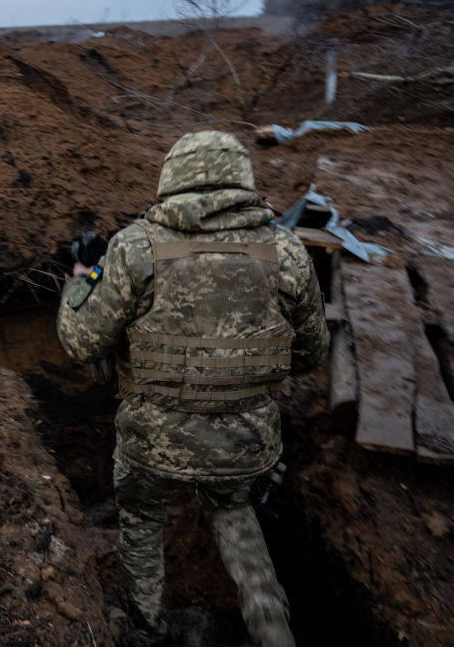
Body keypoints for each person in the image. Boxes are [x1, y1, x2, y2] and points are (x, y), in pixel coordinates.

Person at [57, 131, 329, 647]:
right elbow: (312, 354)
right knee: (231, 507)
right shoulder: (286, 252)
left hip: (151, 443)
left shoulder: (134, 248)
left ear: (171, 180)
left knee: (141, 519)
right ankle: (271, 622)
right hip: (246, 441)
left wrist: (81, 275)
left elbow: (80, 339)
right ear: (242, 180)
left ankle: (145, 627)